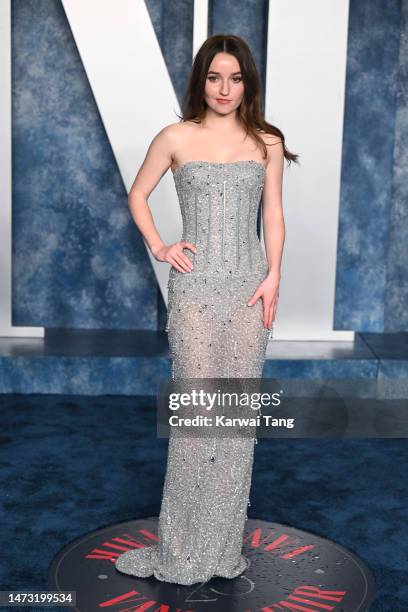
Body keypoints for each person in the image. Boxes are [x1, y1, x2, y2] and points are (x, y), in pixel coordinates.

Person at [115, 34, 297, 585]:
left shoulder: (266, 140)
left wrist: (273, 279)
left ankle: (219, 549)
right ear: (201, 80)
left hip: (248, 290)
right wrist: (161, 246)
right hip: (194, 292)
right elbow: (138, 194)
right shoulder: (174, 136)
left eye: (235, 78)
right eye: (215, 77)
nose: (225, 89)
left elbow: (275, 217)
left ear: (248, 83)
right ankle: (181, 550)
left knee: (236, 421)